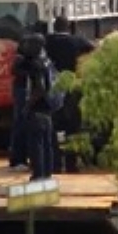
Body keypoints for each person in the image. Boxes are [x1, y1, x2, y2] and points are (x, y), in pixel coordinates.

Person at [45, 16, 95, 172]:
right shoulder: (77, 41)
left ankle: (55, 164)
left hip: (52, 88)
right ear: (68, 27)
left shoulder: (47, 41)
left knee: (52, 127)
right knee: (73, 127)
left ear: (55, 27)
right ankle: (71, 164)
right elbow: (92, 49)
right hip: (72, 88)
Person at [12, 33, 56, 180]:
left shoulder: (36, 64)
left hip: (37, 108)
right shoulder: (47, 61)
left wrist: (28, 105)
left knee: (36, 144)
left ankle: (38, 175)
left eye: (29, 44)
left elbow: (39, 88)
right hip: (48, 108)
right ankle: (47, 174)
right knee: (46, 143)